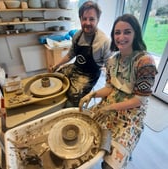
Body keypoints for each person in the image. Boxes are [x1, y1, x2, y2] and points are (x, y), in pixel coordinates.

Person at [79, 14, 157, 169]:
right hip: (110, 104)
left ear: (135, 34)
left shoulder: (145, 62)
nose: (121, 37)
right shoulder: (112, 60)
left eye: (127, 32)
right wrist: (91, 94)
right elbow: (110, 88)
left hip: (131, 112)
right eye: (117, 32)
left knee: (111, 164)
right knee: (85, 134)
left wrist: (110, 108)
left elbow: (139, 100)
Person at [52, 1, 111, 107]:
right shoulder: (77, 35)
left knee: (74, 96)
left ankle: (70, 110)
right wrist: (57, 65)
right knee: (55, 78)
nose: (87, 23)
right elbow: (70, 55)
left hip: (89, 75)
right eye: (84, 18)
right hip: (75, 67)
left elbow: (110, 69)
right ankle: (56, 104)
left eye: (92, 19)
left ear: (98, 20)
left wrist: (108, 91)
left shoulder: (104, 41)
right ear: (80, 19)